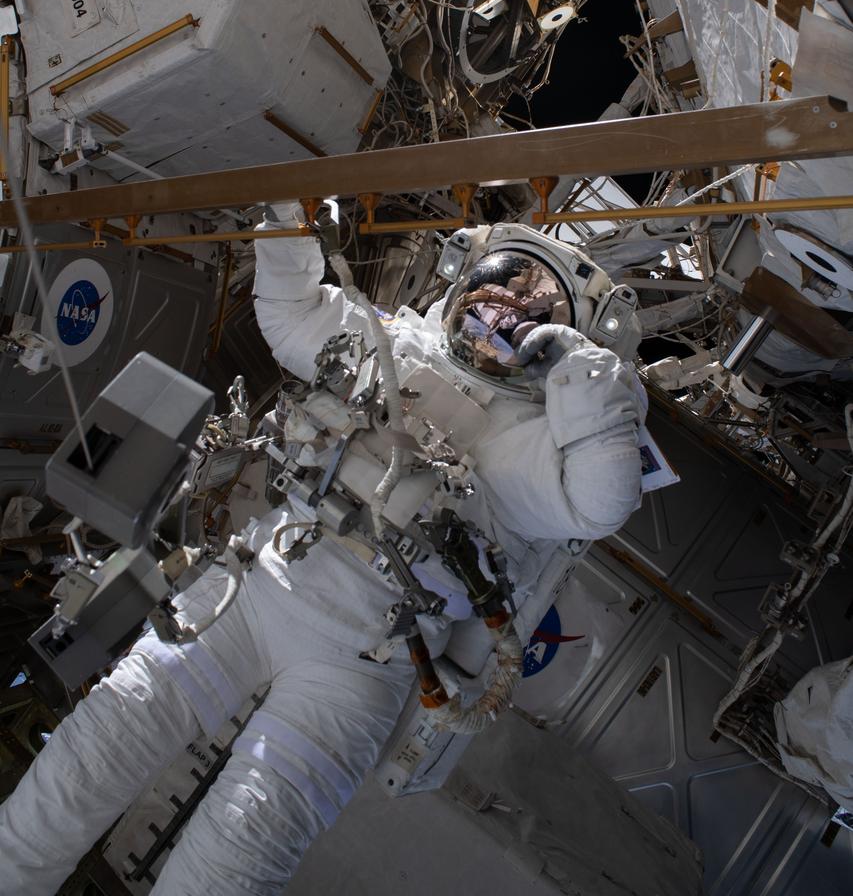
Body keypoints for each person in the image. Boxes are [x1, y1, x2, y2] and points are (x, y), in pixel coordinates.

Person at [0, 204, 647, 895]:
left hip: (360, 663)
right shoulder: (393, 348)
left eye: (535, 301)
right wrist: (284, 221)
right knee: (90, 757)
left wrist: (581, 372)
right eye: (505, 281)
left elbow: (603, 500)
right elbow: (292, 313)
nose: (510, 306)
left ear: (565, 331)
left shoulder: (542, 444)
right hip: (254, 586)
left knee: (234, 858)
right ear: (466, 281)